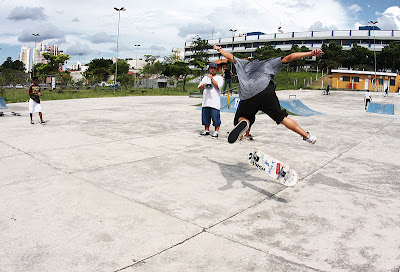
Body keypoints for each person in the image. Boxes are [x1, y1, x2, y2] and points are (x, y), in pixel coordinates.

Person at [213, 44, 323, 144]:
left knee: (241, 117)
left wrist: (219, 49)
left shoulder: (243, 63)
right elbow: (291, 57)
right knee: (281, 118)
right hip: (265, 90)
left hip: (247, 95)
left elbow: (228, 56)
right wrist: (310, 53)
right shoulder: (270, 62)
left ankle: (245, 122)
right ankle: (307, 136)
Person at [198, 62, 224, 138]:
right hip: (206, 102)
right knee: (205, 117)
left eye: (214, 68)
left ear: (216, 70)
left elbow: (218, 86)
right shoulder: (205, 78)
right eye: (211, 68)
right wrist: (206, 84)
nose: (213, 70)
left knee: (216, 118)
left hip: (214, 102)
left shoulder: (220, 78)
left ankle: (216, 131)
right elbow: (199, 87)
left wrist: (212, 79)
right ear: (209, 69)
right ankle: (206, 130)